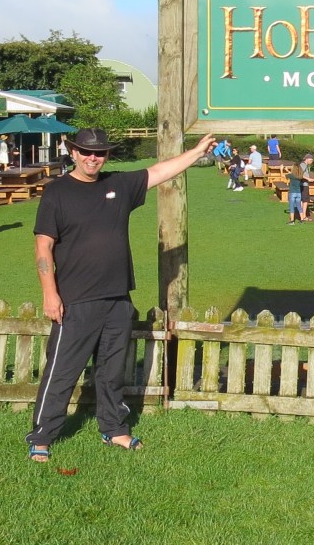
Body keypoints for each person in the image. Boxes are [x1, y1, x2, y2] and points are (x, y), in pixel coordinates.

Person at [25, 127, 216, 462]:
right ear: (73, 152)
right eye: (86, 152)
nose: (92, 158)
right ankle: (41, 436)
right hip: (75, 301)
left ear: (107, 156)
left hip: (117, 300)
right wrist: (50, 294)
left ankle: (114, 429)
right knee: (62, 373)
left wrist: (197, 152)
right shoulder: (57, 192)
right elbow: (44, 245)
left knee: (112, 372)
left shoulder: (118, 186)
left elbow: (159, 172)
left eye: (99, 153)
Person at [299, 153, 314, 221]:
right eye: (311, 160)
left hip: (302, 184)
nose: (311, 162)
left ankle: (302, 215)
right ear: (306, 159)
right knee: (305, 201)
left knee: (303, 200)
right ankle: (304, 216)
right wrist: (308, 179)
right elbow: (299, 174)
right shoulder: (303, 165)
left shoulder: (304, 165)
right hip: (304, 185)